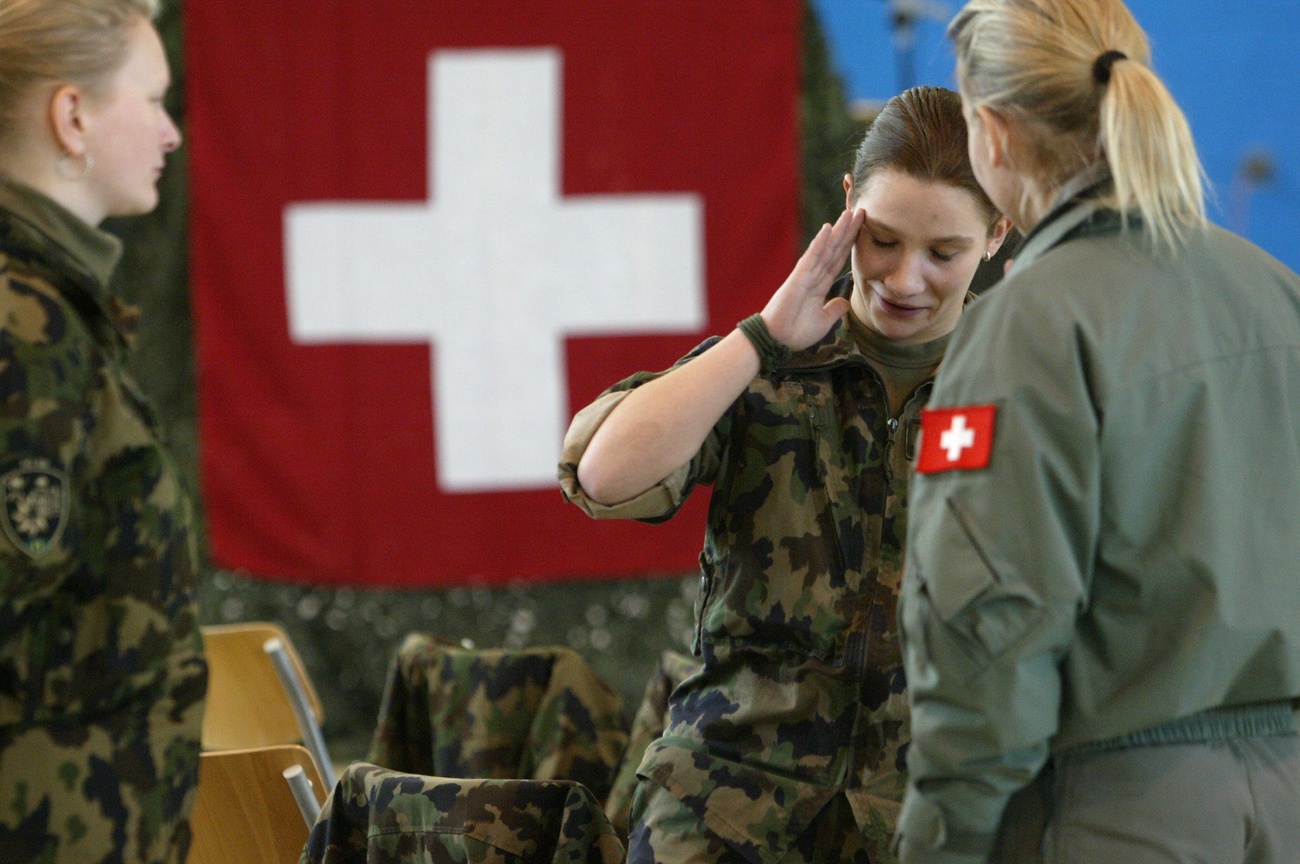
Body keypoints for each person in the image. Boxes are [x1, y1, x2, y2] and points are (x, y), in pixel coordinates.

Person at [558, 85, 1010, 863]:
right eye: (884, 241)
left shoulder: (1021, 387)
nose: (905, 281)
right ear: (847, 209)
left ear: (998, 234)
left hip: (929, 810)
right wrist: (762, 339)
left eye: (944, 254)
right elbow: (605, 474)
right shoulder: (771, 364)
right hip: (727, 792)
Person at [895, 1, 1300, 862]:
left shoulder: (1023, 326)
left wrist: (943, 838)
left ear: (992, 133)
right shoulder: (1276, 293)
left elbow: (988, 623)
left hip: (1117, 815)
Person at [0, 1, 206, 862]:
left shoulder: (56, 310)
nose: (171, 134)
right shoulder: (25, 326)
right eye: (152, 100)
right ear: (72, 116)